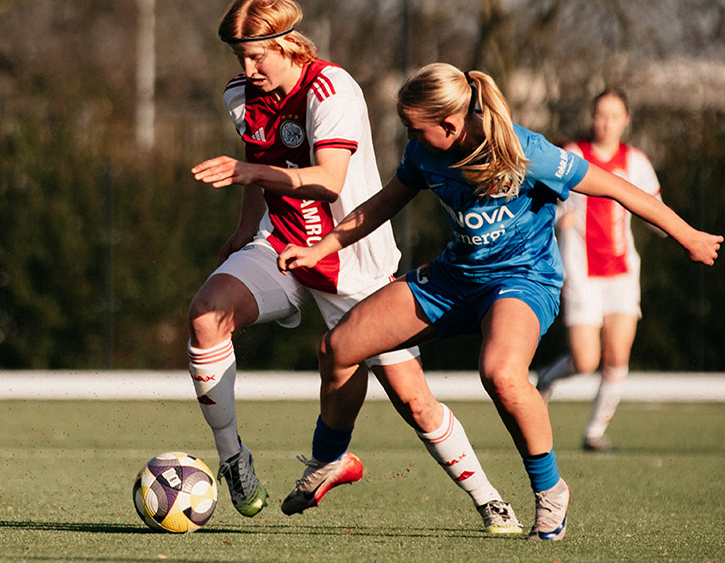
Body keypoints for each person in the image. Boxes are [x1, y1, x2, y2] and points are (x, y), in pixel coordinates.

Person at [277, 62, 721, 540]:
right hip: (454, 278)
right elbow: (383, 203)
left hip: (522, 281)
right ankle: (330, 459)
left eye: (415, 128)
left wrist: (688, 235)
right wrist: (322, 246)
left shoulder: (525, 151)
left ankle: (551, 493)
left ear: (449, 124)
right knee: (337, 348)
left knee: (502, 374)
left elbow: (617, 188)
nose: (410, 136)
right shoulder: (424, 154)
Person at [188, 0, 522, 533]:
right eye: (238, 57)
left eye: (256, 56)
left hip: (351, 258)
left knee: (412, 399)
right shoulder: (240, 94)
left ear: (287, 44)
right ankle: (233, 460)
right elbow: (257, 160)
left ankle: (489, 500)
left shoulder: (331, 86)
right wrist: (246, 230)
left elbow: (329, 179)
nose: (246, 69)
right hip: (281, 247)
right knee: (207, 313)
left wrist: (253, 174)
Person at [536, 89, 661, 452]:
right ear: (592, 117)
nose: (605, 122)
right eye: (600, 114)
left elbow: (654, 207)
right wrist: (561, 217)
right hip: (581, 273)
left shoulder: (635, 160)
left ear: (626, 120)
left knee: (617, 357)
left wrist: (678, 232)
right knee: (586, 361)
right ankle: (546, 378)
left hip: (622, 274)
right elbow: (543, 202)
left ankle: (594, 432)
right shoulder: (572, 156)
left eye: (613, 115)